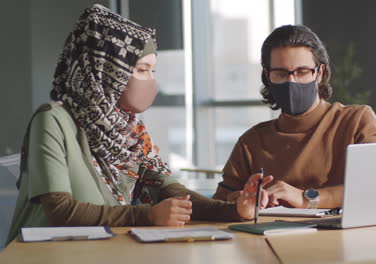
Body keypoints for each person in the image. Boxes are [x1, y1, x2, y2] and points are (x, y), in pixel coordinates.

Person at [6, 4, 271, 245]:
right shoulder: (52, 120)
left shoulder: (129, 131)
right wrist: (147, 215)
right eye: (141, 70)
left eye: (152, 71)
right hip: (42, 255)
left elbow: (174, 194)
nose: (151, 81)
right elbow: (61, 211)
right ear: (107, 70)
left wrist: (236, 210)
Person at [213, 25, 376, 209]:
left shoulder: (355, 121)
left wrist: (305, 198)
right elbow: (220, 200)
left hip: (343, 235)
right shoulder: (252, 142)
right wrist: (245, 200)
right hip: (272, 236)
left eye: (302, 72)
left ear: (319, 73)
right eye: (280, 73)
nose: (292, 81)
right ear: (267, 75)